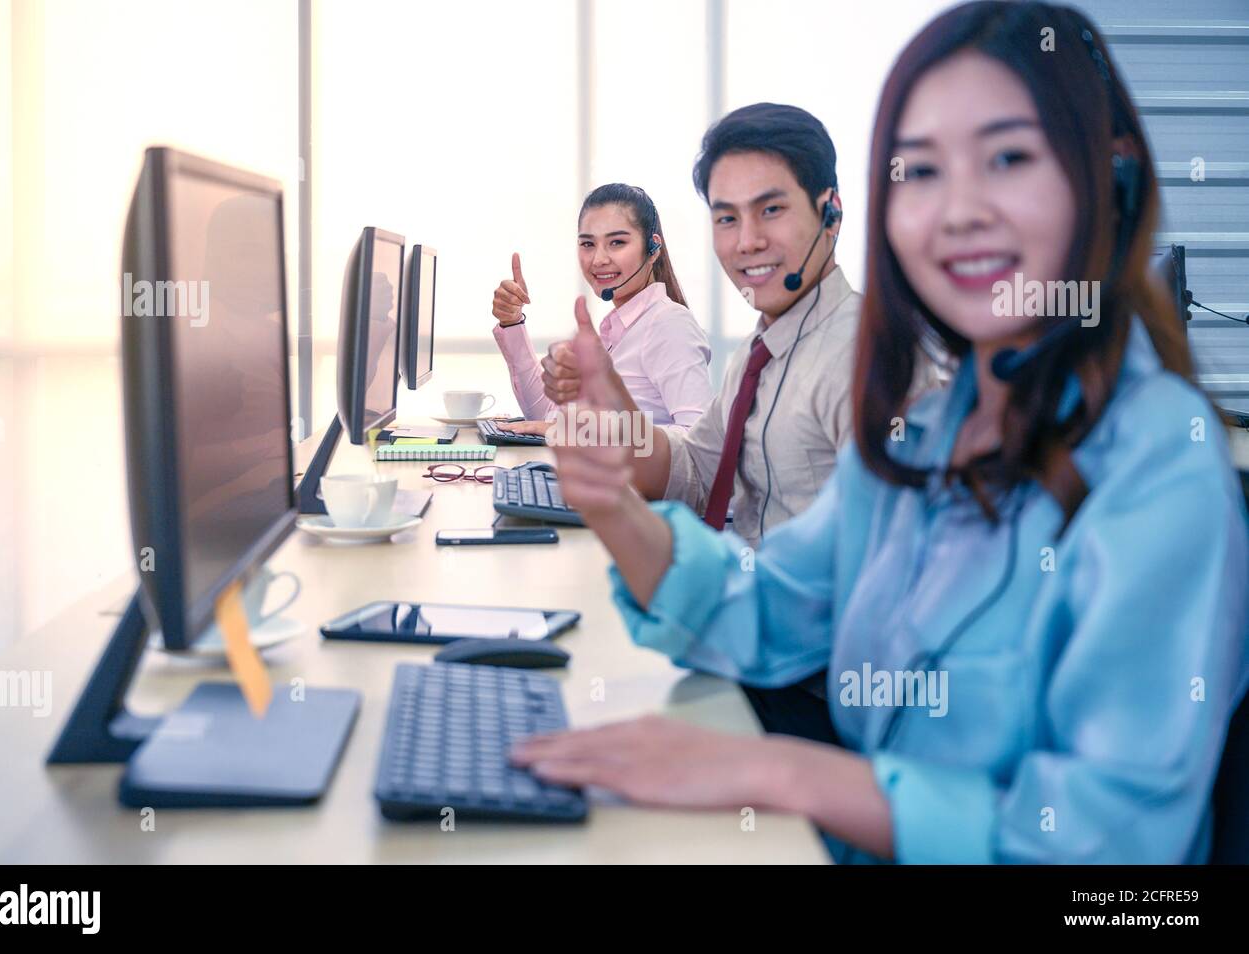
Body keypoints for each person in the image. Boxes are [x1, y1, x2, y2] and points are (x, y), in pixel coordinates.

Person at [514, 0, 1249, 864]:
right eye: (922, 172)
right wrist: (609, 501)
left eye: (1008, 158)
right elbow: (768, 608)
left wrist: (777, 774)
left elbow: (1109, 855)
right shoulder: (926, 435)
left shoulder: (1162, 467)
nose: (958, 211)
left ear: (1108, 181)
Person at [541, 104, 871, 546]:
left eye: (771, 210)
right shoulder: (759, 353)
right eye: (727, 218)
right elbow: (695, 475)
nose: (747, 241)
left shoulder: (863, 355)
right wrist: (612, 400)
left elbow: (890, 569)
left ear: (831, 214)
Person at [490, 183, 711, 435]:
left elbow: (697, 441)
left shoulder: (669, 324)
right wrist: (512, 322)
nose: (598, 259)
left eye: (617, 242)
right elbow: (545, 417)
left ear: (653, 249)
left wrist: (586, 433)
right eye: (588, 244)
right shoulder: (620, 329)